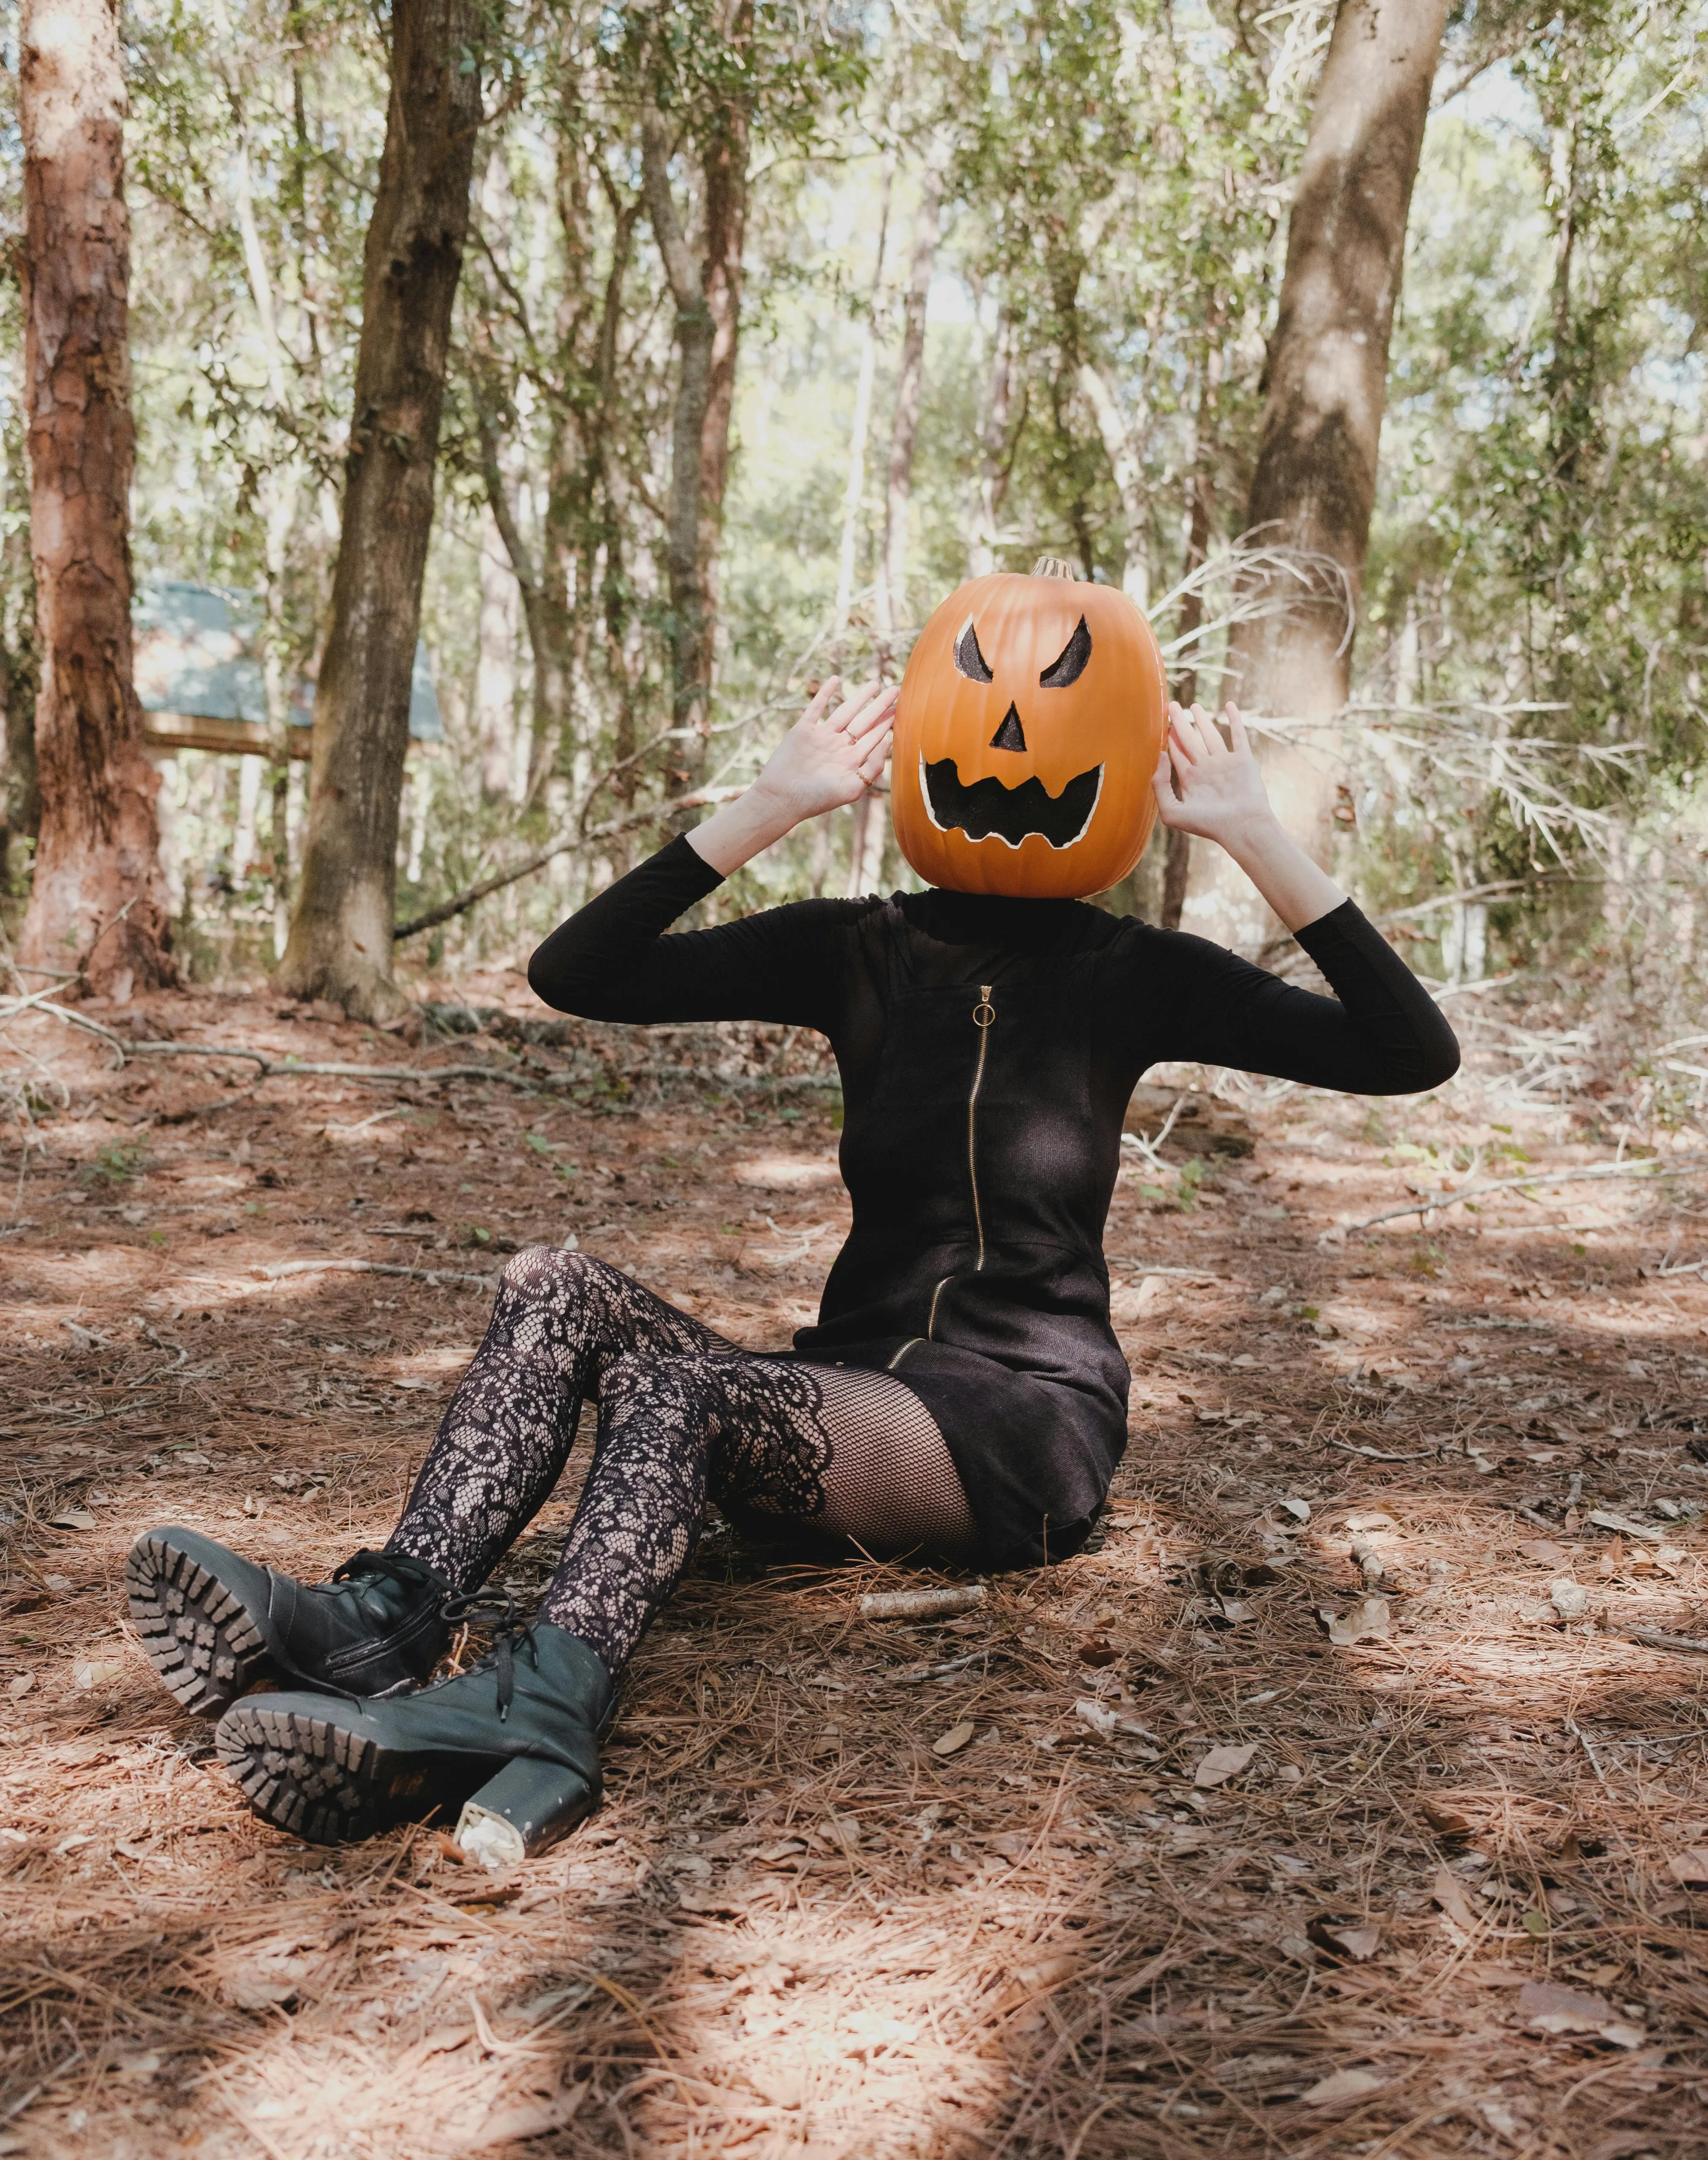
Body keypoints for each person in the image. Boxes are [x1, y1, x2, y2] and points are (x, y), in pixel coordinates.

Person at [126, 668, 1457, 1870]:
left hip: (1014, 1422)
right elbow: (577, 972)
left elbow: (1408, 1050)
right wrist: (771, 802)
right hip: (836, 1400)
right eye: (978, 693)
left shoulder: (1139, 974)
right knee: (554, 1278)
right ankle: (386, 1618)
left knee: (679, 1391)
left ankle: (545, 1711)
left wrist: (1256, 833)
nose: (1007, 736)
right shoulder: (857, 947)